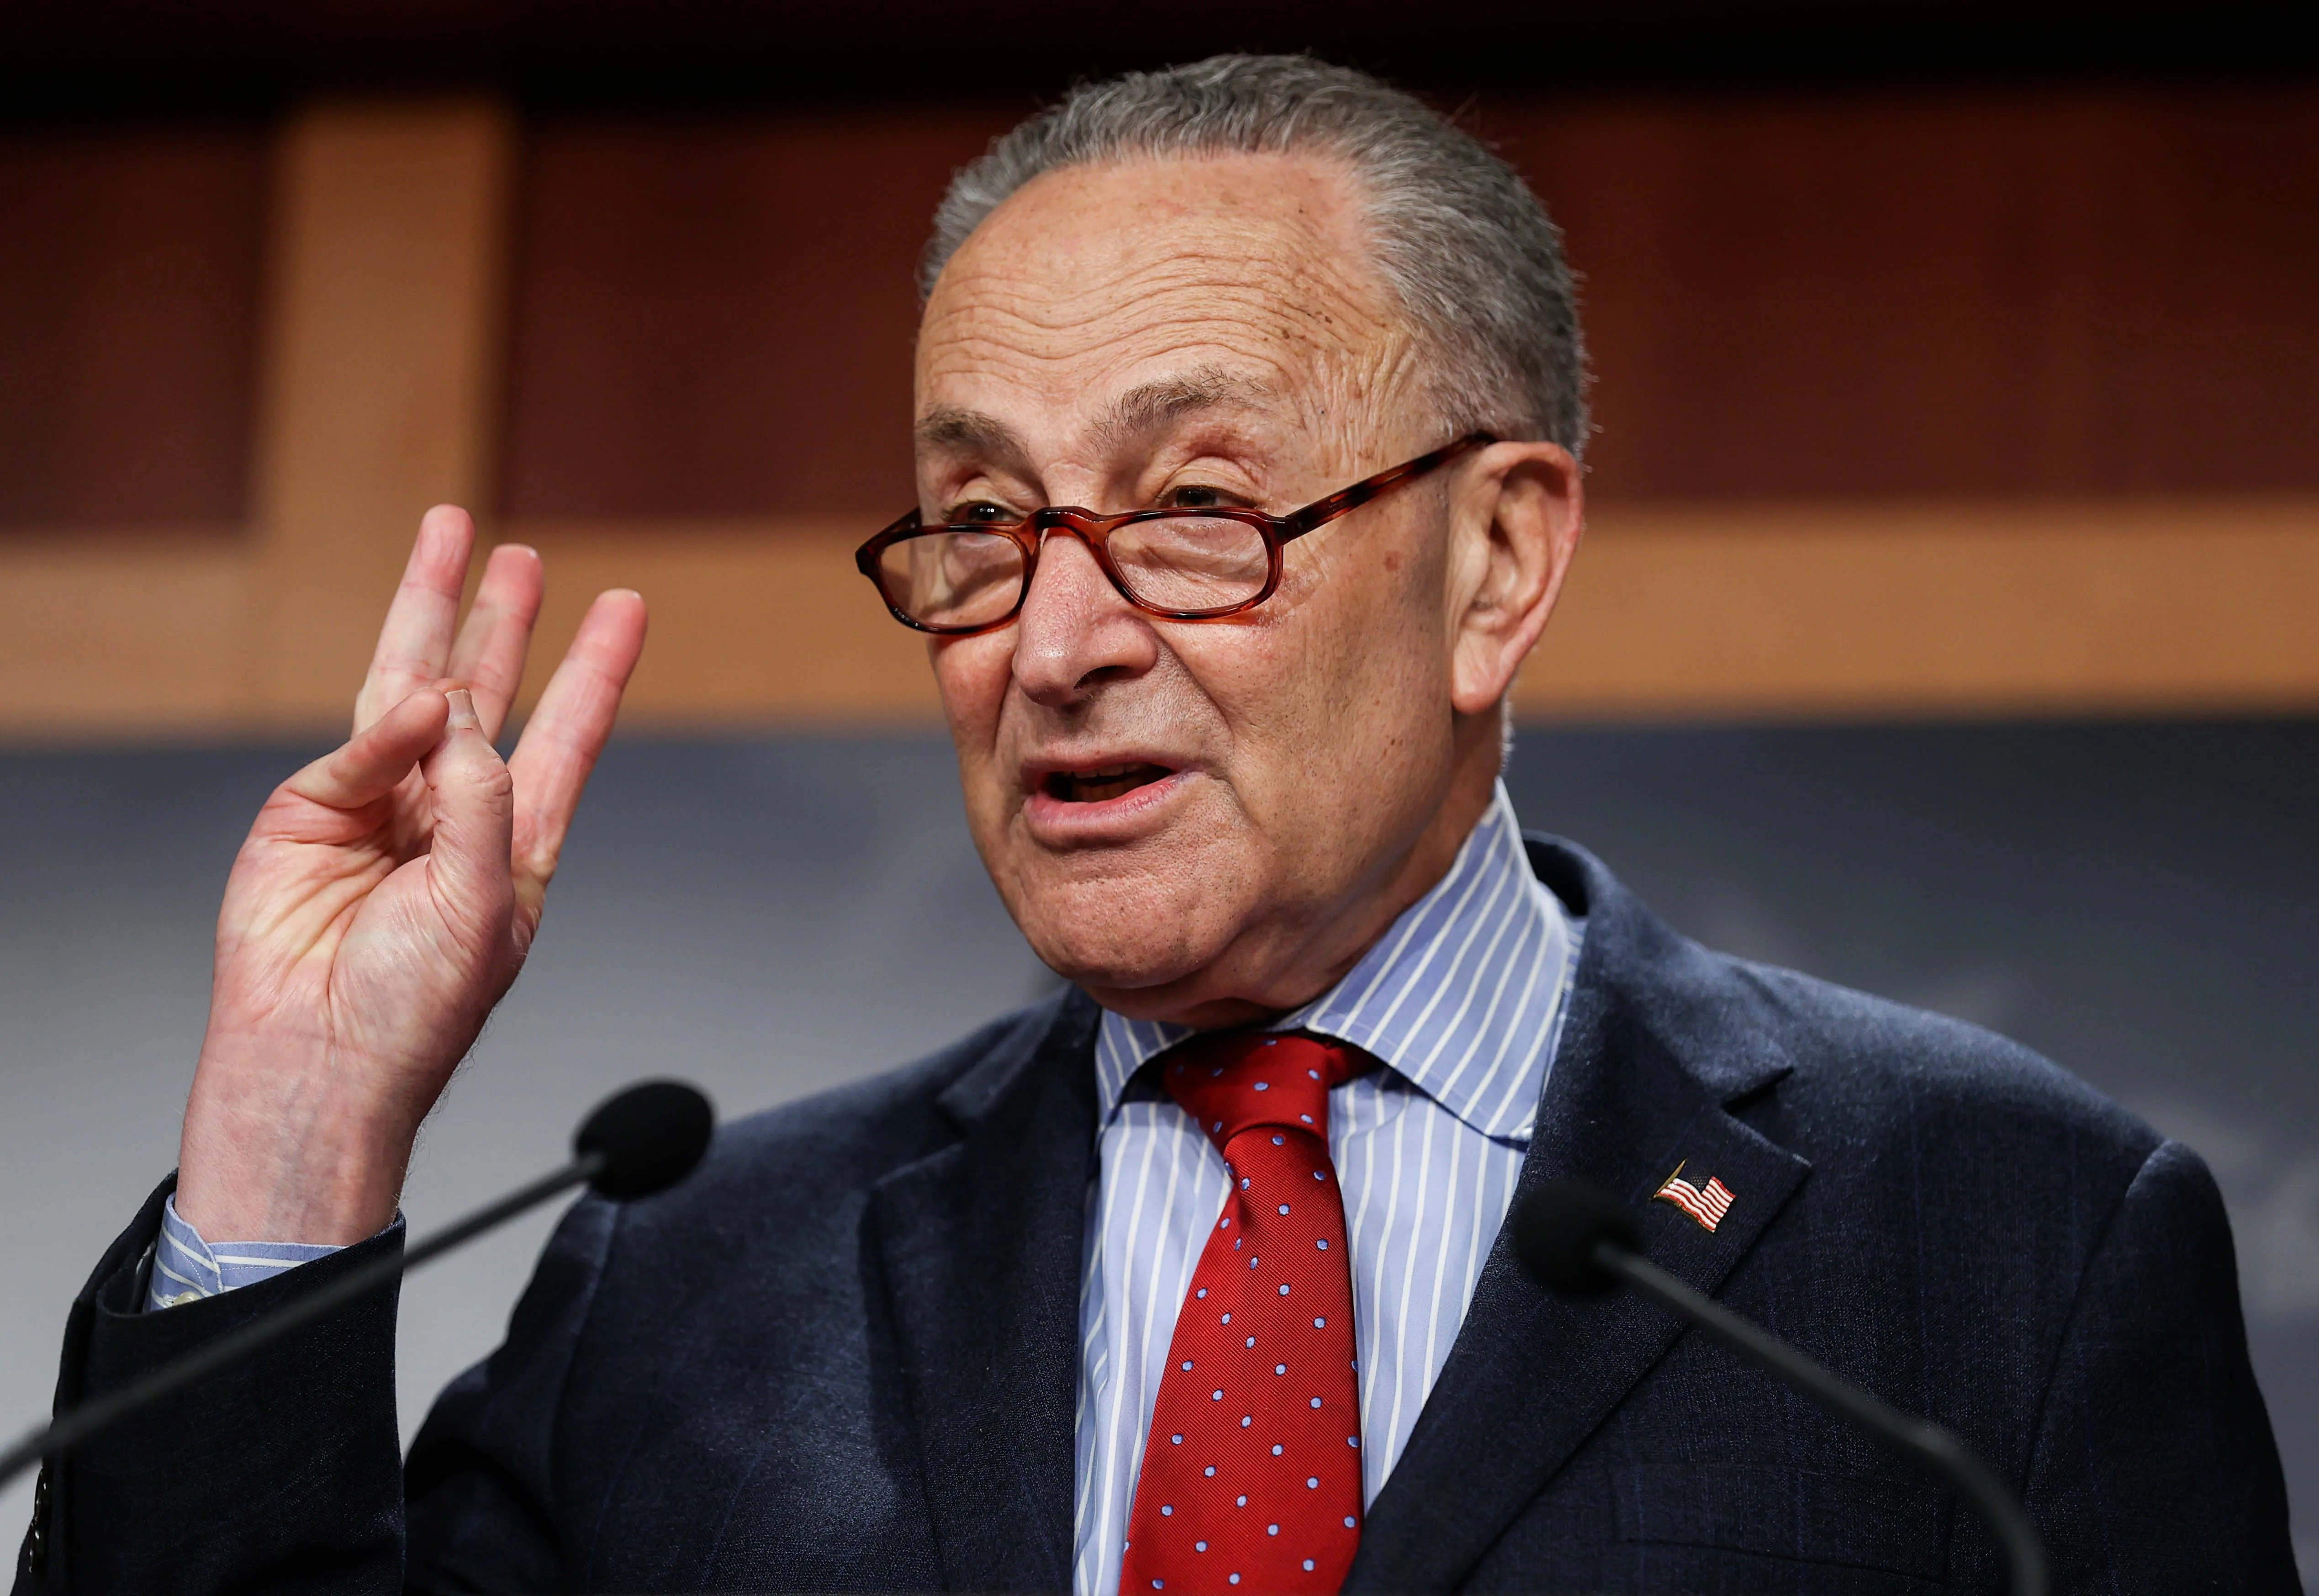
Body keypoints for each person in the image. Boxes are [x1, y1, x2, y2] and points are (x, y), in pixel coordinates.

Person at [15, 54, 2296, 1596]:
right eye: (980, 520)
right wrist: (297, 1140)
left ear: (1497, 563)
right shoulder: (692, 1286)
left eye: (1198, 508)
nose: (1053, 638)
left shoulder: (2009, 1243)